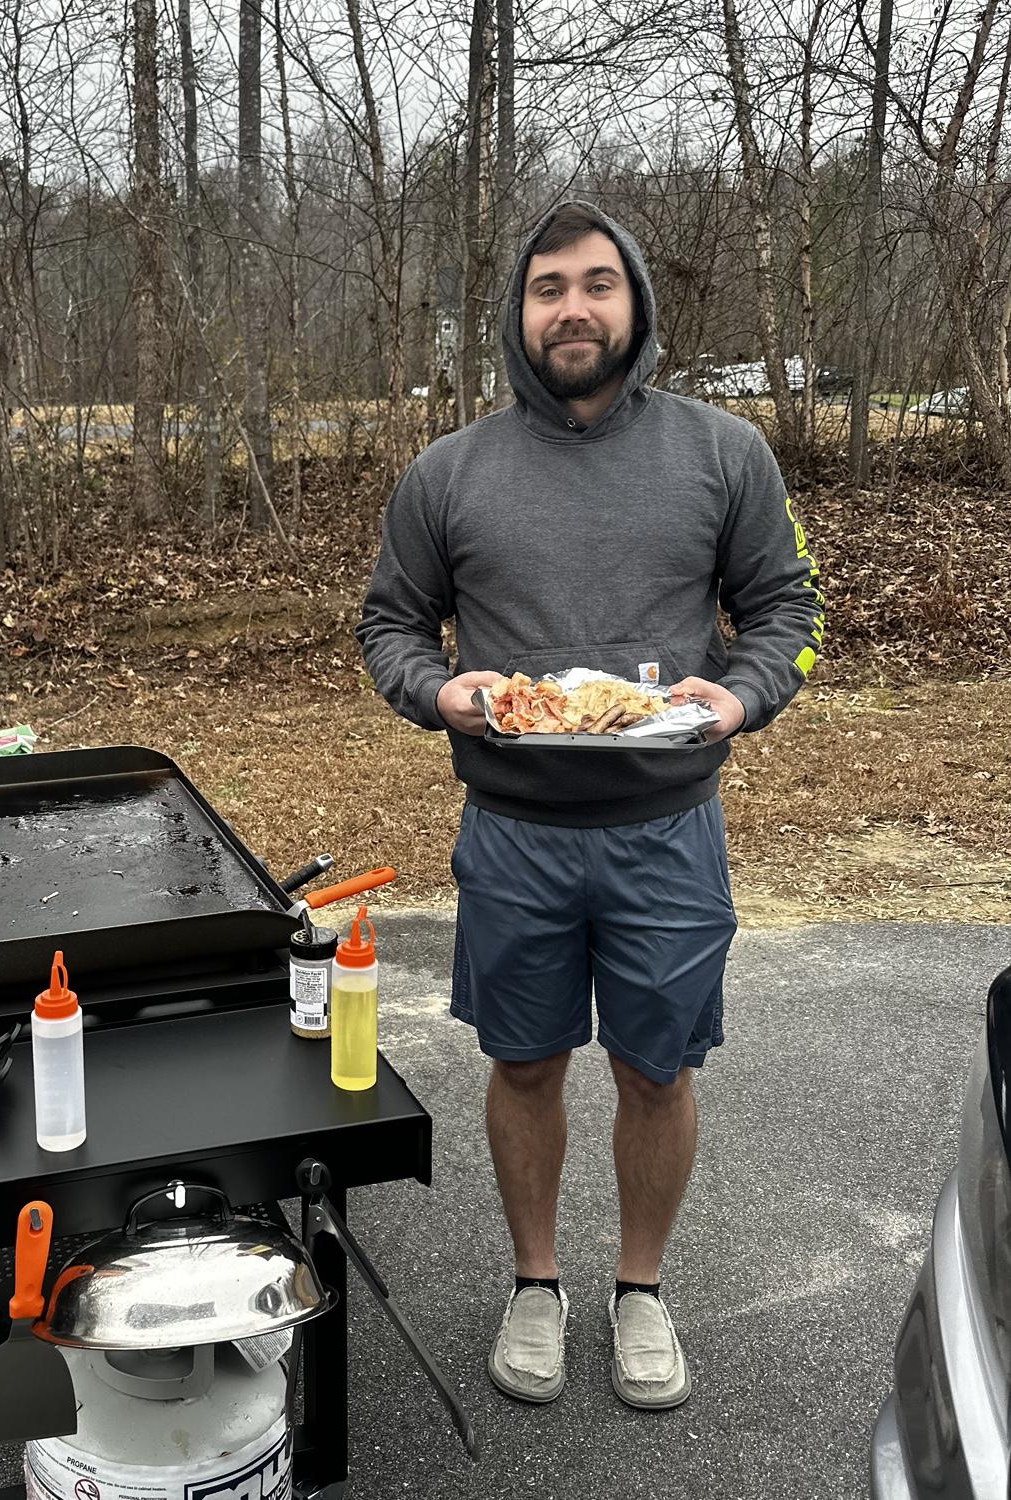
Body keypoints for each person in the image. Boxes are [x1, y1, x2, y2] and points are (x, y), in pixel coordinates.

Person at [357, 201, 823, 1411]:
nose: (573, 307)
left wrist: (743, 697)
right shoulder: (449, 472)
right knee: (522, 1066)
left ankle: (642, 1290)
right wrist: (435, 690)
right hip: (514, 833)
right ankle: (534, 1282)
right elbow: (388, 628)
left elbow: (791, 611)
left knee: (657, 1072)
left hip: (667, 828)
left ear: (636, 306)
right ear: (518, 313)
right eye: (548, 285)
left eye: (598, 283)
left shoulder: (725, 455)